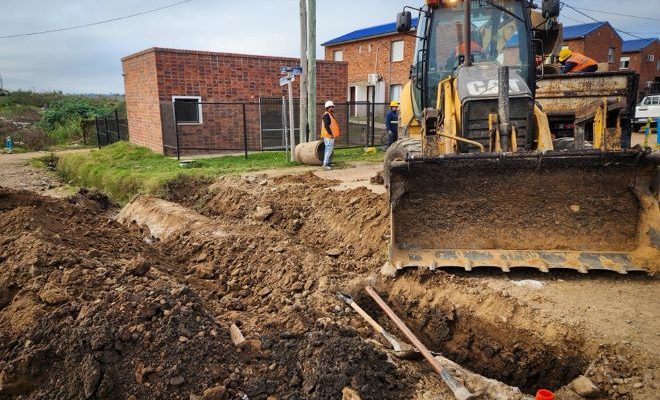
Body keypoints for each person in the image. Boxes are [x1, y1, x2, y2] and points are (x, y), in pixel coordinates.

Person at [320, 100, 341, 170]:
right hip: (328, 136)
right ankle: (325, 164)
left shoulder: (329, 115)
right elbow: (326, 125)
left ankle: (328, 162)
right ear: (328, 108)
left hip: (330, 136)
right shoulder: (326, 115)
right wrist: (331, 134)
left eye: (333, 107)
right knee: (328, 150)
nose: (333, 108)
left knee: (329, 150)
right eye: (332, 107)